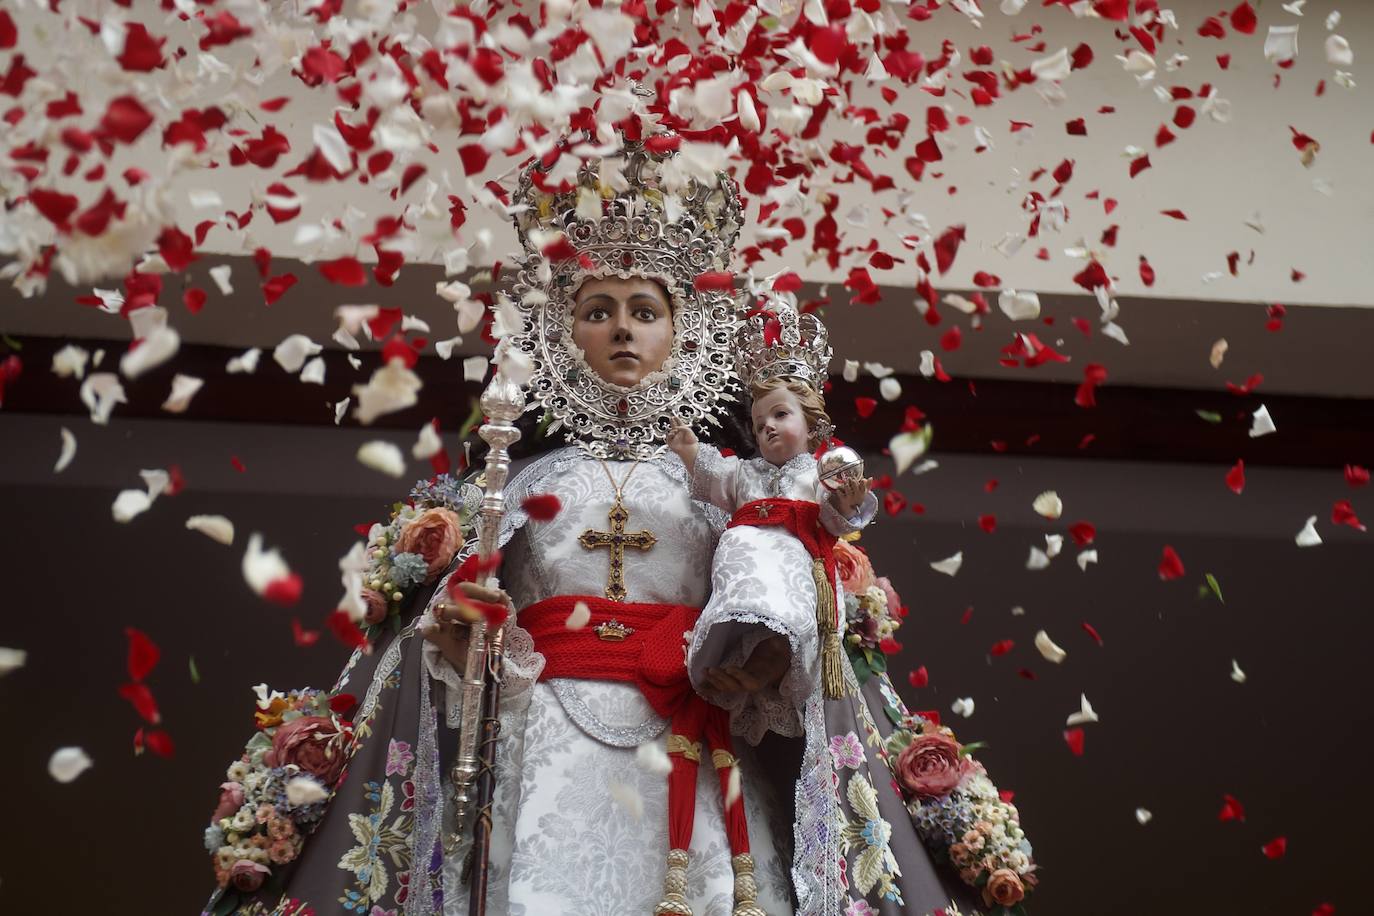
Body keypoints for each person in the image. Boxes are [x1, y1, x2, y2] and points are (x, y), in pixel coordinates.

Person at [202, 112, 1026, 916]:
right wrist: (462, 637)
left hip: (691, 739)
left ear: (682, 332)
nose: (623, 330)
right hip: (543, 740)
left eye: (645, 309)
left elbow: (782, 593)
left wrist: (770, 657)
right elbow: (455, 641)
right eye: (599, 311)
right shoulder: (514, 483)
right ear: (567, 334)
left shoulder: (727, 485)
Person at [665, 313, 878, 745]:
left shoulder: (819, 476)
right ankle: (733, 656)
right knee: (742, 611)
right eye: (760, 424)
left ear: (813, 423)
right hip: (743, 564)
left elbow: (833, 523)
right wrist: (690, 452)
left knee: (786, 619)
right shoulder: (745, 474)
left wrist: (846, 501)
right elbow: (715, 478)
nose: (769, 427)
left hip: (794, 560)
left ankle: (771, 661)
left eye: (781, 414)